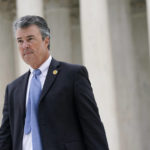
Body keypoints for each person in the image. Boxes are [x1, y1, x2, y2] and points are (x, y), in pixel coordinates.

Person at [0, 15, 109, 150]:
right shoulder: (13, 89)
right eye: (20, 41)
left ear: (46, 40)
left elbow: (92, 128)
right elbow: (5, 137)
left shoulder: (73, 75)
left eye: (30, 39)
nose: (25, 46)